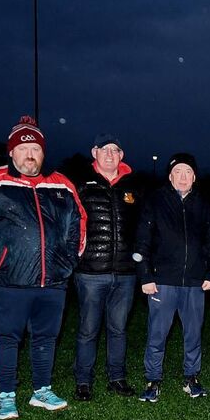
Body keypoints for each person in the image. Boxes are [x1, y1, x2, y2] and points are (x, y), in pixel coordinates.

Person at [0, 116, 86, 420]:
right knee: (7, 338)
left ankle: (42, 390)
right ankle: (7, 394)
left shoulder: (61, 183)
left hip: (53, 281)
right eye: (23, 149)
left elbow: (79, 224)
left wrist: (68, 260)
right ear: (11, 152)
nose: (30, 154)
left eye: (35, 148)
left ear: (43, 152)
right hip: (9, 279)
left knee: (46, 337)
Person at [134, 153, 210, 403]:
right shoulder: (156, 201)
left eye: (188, 172)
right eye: (178, 172)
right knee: (157, 334)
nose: (183, 177)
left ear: (194, 176)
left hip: (194, 282)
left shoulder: (203, 205)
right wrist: (146, 276)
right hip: (162, 281)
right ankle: (153, 380)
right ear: (170, 175)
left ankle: (191, 378)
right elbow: (143, 241)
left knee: (193, 333)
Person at [72, 133, 143, 400]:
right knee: (88, 329)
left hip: (125, 272)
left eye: (115, 149)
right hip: (91, 271)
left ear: (121, 155)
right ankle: (83, 381)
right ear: (95, 152)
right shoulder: (81, 183)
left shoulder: (133, 186)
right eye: (105, 149)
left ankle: (117, 377)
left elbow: (141, 227)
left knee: (118, 329)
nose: (110, 154)